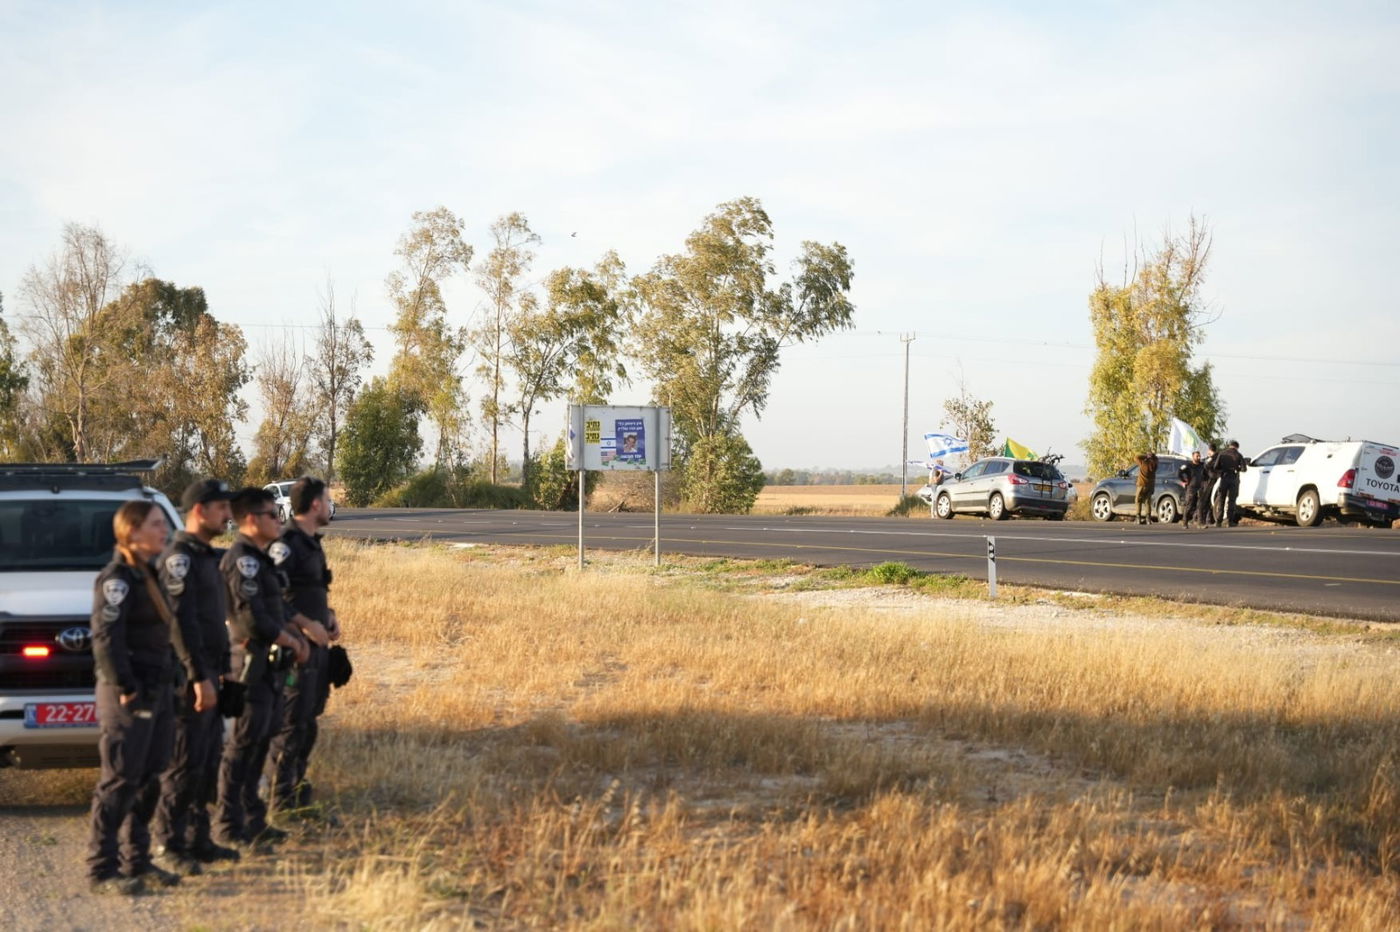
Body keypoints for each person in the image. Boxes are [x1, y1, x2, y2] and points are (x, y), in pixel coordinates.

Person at [86, 501, 183, 895]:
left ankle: (137, 860)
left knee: (150, 776)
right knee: (120, 780)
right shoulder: (116, 579)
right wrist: (127, 687)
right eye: (156, 524)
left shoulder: (150, 573)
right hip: (129, 693)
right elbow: (105, 640)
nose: (164, 531)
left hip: (158, 690)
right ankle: (102, 869)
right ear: (132, 531)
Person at [145, 479, 239, 875]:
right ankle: (169, 843)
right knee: (183, 763)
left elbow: (215, 621)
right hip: (189, 679)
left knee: (206, 760)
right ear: (200, 510)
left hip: (212, 673)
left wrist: (224, 669)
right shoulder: (179, 558)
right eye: (221, 508)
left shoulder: (205, 557)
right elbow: (180, 624)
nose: (228, 515)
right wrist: (198, 675)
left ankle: (198, 838)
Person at [214, 488, 312, 850]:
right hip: (248, 667)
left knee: (260, 742)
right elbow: (251, 619)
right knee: (242, 746)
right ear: (252, 520)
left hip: (269, 667)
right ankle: (228, 824)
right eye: (272, 514)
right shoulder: (242, 561)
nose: (278, 520)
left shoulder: (261, 559)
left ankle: (253, 821)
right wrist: (291, 641)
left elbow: (278, 608)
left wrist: (300, 631)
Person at [268, 477, 340, 814]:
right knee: (291, 725)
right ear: (315, 504)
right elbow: (272, 598)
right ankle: (281, 799)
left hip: (316, 651)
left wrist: (329, 616)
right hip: (296, 651)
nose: (330, 505)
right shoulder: (286, 545)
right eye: (327, 499)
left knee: (308, 723)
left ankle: (298, 792)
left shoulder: (311, 543)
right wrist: (306, 626)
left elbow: (310, 590)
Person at [1213, 440, 1247, 527]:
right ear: (1237, 447)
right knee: (1231, 501)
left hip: (1224, 478)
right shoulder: (1238, 455)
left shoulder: (1222, 454)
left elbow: (1215, 467)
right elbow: (1244, 469)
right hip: (1233, 479)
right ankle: (1229, 521)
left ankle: (1218, 521)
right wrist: (1237, 468)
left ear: (1229, 446)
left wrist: (1221, 471)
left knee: (1221, 499)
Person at [1178, 451, 1210, 529]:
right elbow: (1180, 472)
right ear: (1193, 456)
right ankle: (1185, 522)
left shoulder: (1202, 465)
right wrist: (1184, 480)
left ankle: (1200, 523)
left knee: (1200, 505)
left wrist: (1204, 483)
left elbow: (1206, 475)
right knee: (1189, 505)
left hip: (1200, 487)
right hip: (1191, 488)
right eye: (1197, 456)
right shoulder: (1188, 466)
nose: (1198, 458)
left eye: (1199, 456)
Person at [1134, 452, 1158, 525]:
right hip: (1150, 485)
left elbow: (1136, 457)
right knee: (1147, 502)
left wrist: (1145, 456)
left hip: (1141, 484)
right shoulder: (1154, 464)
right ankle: (1148, 519)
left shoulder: (1143, 463)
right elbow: (1156, 459)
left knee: (1138, 500)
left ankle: (1138, 518)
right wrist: (1152, 456)